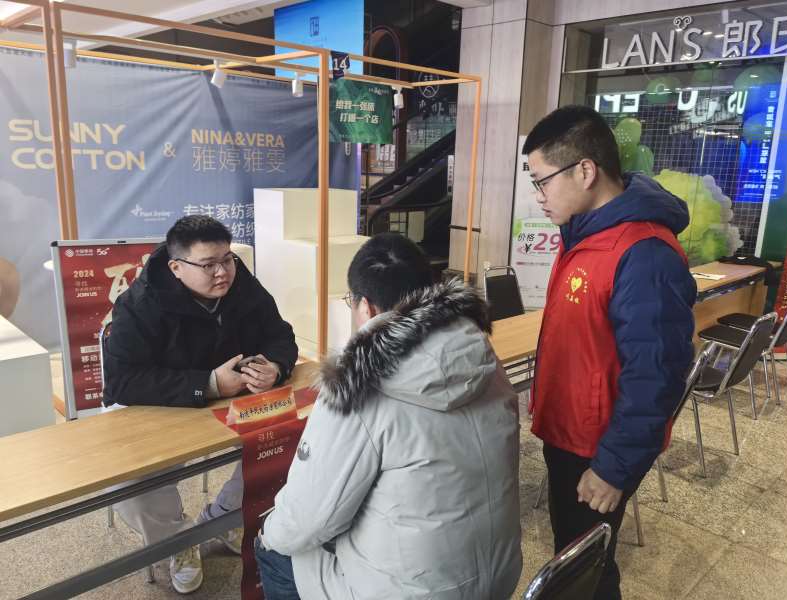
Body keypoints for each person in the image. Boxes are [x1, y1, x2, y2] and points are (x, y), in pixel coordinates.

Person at [254, 233, 522, 599]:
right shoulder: (481, 354)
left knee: (274, 547)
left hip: (414, 593)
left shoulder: (357, 385)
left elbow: (309, 517)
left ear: (366, 307)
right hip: (500, 575)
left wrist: (269, 530)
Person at [523, 105, 696, 599]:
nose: (539, 196)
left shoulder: (643, 253)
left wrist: (613, 467)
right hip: (570, 431)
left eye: (542, 181)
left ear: (585, 170)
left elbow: (657, 374)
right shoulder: (586, 232)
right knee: (579, 558)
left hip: (596, 447)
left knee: (585, 570)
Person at [102, 215, 298, 594]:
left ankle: (225, 517)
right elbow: (122, 382)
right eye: (208, 265)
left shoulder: (240, 284)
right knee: (130, 483)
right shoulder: (139, 304)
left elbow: (280, 334)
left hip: (230, 400)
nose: (222, 273)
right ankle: (178, 541)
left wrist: (275, 366)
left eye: (227, 259)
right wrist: (207, 384)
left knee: (286, 437)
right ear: (176, 267)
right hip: (158, 407)